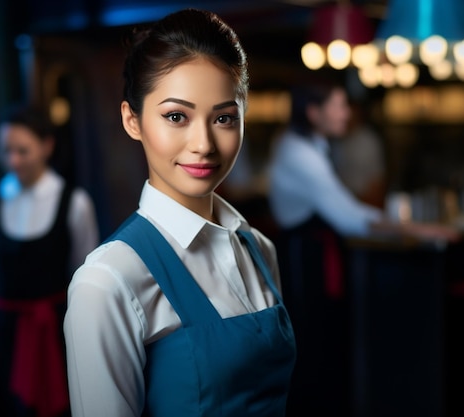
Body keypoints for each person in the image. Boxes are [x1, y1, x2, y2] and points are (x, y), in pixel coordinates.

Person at [63, 8, 296, 417]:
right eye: (176, 116)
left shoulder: (260, 250)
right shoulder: (107, 281)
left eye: (224, 117)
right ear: (132, 120)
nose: (203, 143)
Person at [267, 81, 460, 416]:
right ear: (314, 113)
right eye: (339, 105)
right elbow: (348, 217)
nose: (347, 113)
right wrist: (415, 229)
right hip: (303, 260)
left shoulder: (309, 143)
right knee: (313, 346)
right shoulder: (299, 153)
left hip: (312, 253)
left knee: (322, 343)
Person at [0, 104, 100, 417]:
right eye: (5, 151)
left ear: (47, 146)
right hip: (3, 330)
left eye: (23, 151)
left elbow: (85, 278)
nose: (13, 160)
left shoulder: (75, 202)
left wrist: (88, 336)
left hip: (55, 328)